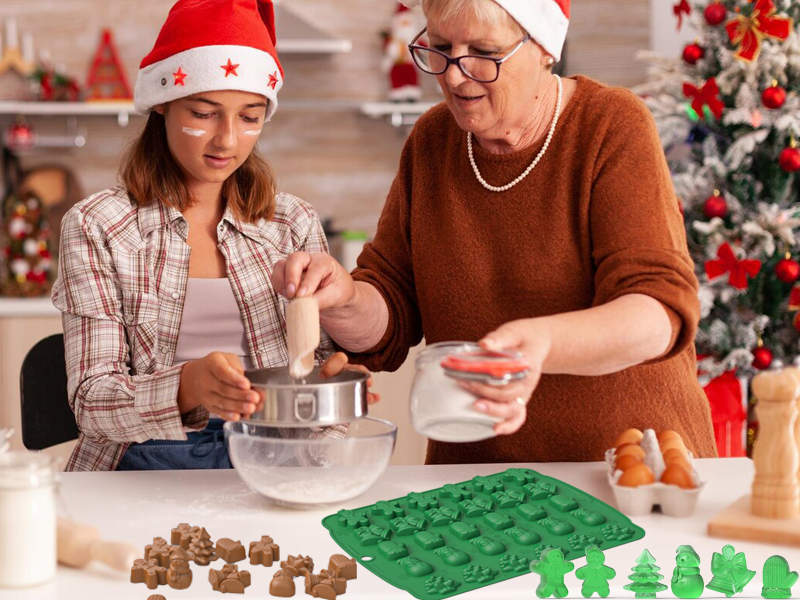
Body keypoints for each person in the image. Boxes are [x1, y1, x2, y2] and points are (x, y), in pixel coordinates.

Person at [271, 0, 718, 463]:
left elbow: (656, 314)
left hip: (626, 468)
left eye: (483, 52)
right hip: (477, 478)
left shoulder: (610, 125)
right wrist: (345, 299)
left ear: (545, 46)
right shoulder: (431, 141)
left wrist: (543, 346)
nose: (454, 75)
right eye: (440, 47)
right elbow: (391, 310)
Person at [52, 0, 373, 472]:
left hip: (273, 455)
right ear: (162, 102)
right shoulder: (96, 226)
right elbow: (91, 402)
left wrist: (326, 399)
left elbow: (319, 373)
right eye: (204, 113)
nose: (227, 140)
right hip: (139, 461)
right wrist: (190, 386)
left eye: (249, 116)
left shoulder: (292, 223)